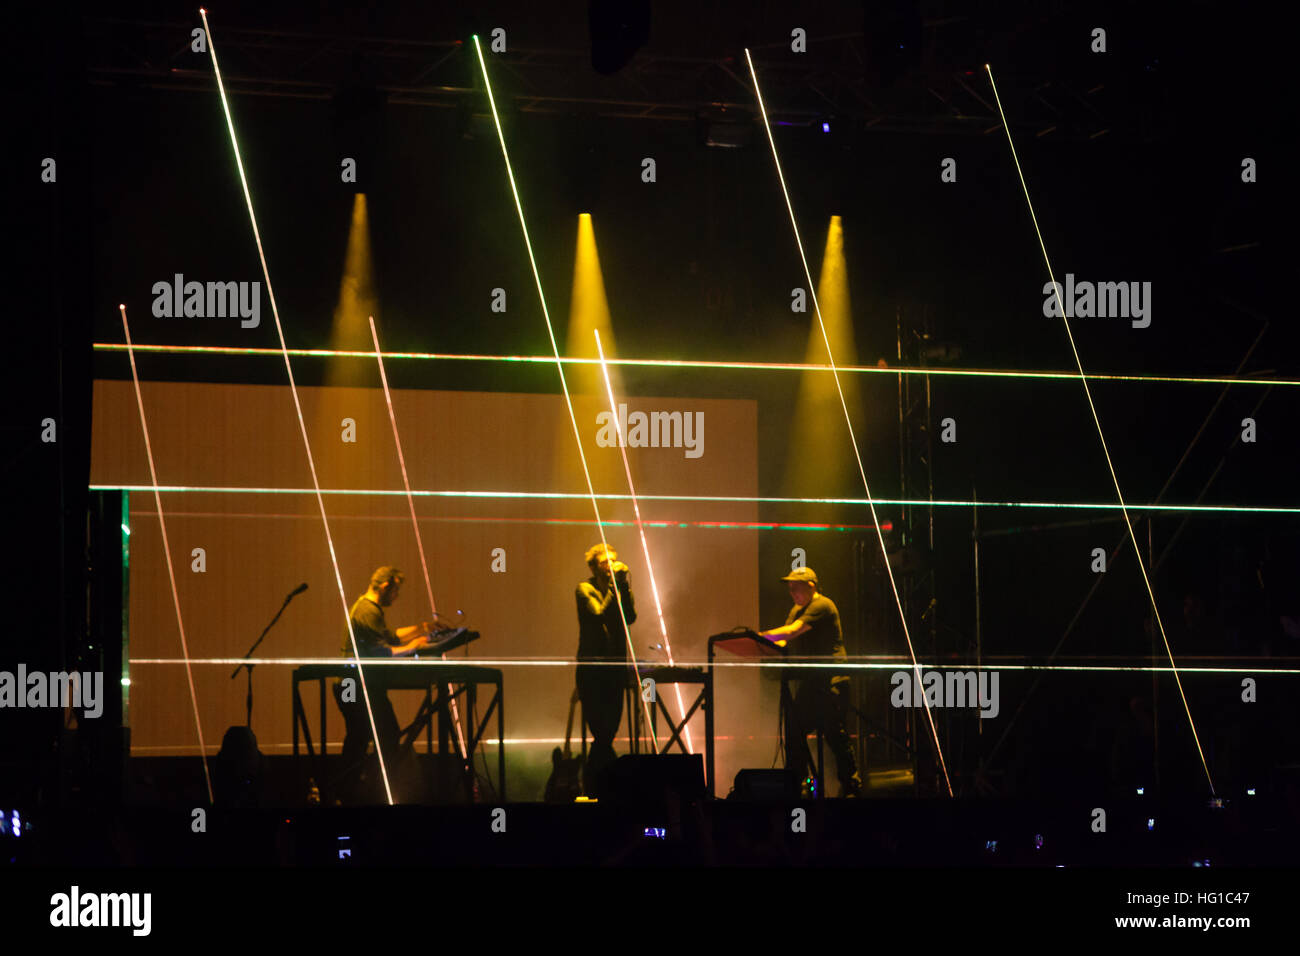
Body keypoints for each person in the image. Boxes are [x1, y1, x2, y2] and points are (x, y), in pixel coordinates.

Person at [333, 567, 435, 802]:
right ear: (387, 586)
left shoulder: (367, 608)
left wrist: (422, 628)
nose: (396, 597)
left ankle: (352, 789)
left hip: (352, 684)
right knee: (383, 734)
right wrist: (415, 646)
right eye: (396, 591)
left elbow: (390, 636)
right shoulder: (368, 611)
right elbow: (382, 651)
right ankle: (368, 787)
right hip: (355, 685)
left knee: (361, 735)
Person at [759, 567, 862, 798]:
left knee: (834, 733)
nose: (792, 591)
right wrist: (760, 646)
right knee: (795, 731)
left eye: (796, 587)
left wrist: (760, 637)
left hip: (831, 680)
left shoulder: (822, 605)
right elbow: (783, 641)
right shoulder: (797, 609)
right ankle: (798, 786)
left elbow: (792, 632)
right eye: (790, 588)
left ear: (811, 586)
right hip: (812, 681)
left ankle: (851, 786)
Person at [575, 544, 636, 797]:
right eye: (604, 562)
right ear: (592, 566)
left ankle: (600, 788)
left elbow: (630, 616)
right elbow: (599, 613)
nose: (610, 566)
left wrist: (623, 587)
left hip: (615, 669)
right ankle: (603, 788)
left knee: (609, 731)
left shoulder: (620, 588)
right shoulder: (584, 589)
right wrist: (614, 588)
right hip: (592, 670)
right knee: (600, 732)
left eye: (613, 561)